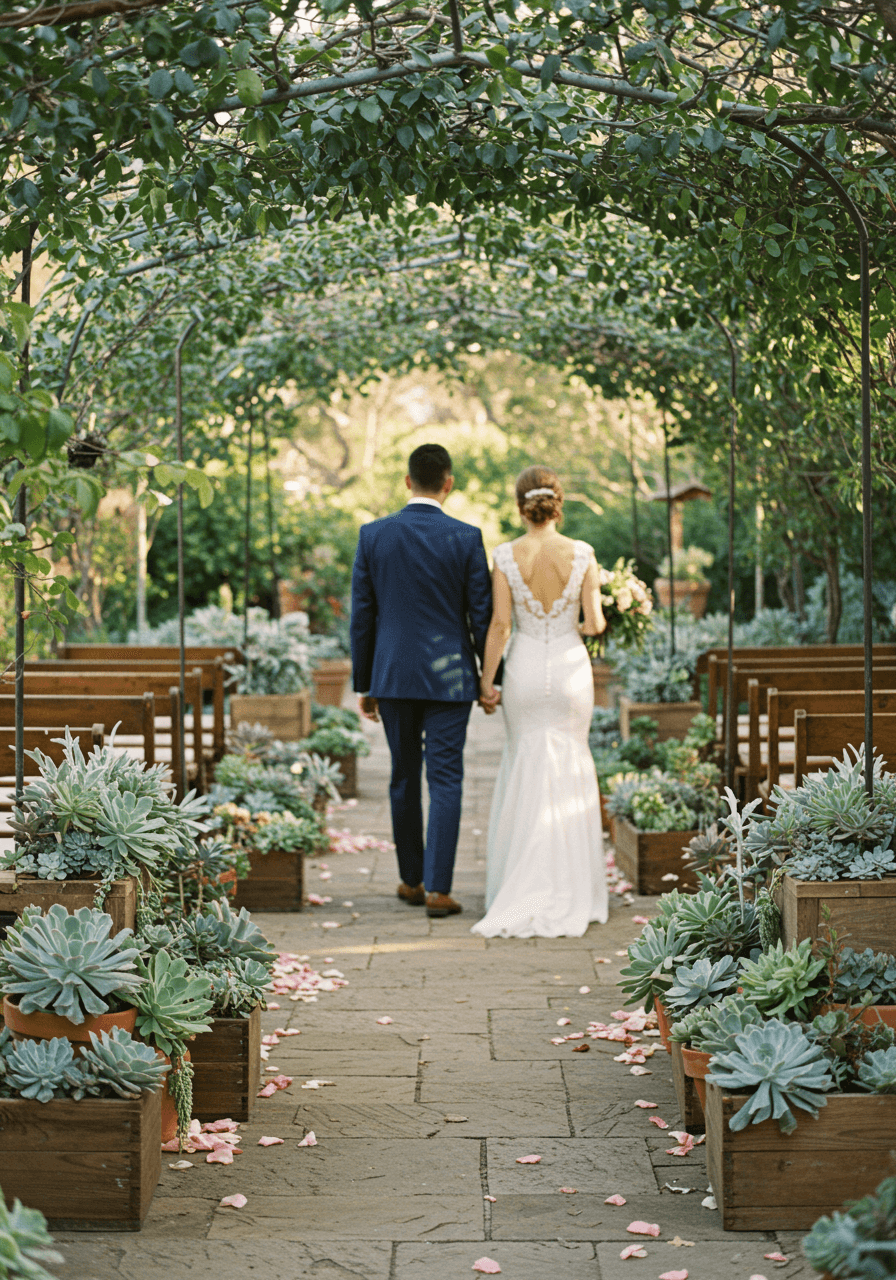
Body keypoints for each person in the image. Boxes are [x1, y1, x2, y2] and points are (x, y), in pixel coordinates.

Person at [350, 443, 494, 918]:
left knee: (403, 776)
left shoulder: (374, 535)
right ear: (448, 484)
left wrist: (364, 683)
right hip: (451, 680)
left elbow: (363, 616)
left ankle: (410, 880)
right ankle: (438, 889)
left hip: (391, 677)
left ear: (408, 481)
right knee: (447, 777)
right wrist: (491, 678)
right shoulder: (467, 536)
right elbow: (482, 615)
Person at [471, 465, 609, 939]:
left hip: (526, 670)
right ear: (559, 502)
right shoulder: (583, 553)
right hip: (571, 670)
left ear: (519, 504)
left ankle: (519, 882)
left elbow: (500, 626)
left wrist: (486, 683)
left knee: (526, 763)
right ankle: (574, 887)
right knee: (571, 764)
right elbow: (593, 624)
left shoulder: (506, 556)